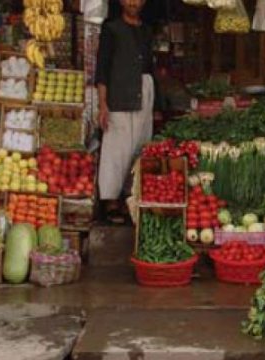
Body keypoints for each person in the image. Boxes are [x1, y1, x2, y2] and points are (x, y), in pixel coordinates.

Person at [95, 0, 158, 222]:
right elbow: (102, 69)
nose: (133, 2)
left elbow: (149, 67)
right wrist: (102, 103)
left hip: (143, 93)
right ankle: (111, 201)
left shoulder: (147, 30)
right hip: (119, 95)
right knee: (117, 149)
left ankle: (128, 197)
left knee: (139, 147)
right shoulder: (111, 29)